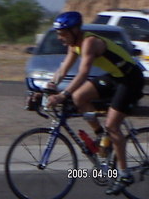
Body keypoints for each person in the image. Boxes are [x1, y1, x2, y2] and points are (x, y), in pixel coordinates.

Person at [46, 11, 144, 195]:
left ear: (75, 30)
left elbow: (83, 73)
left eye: (63, 33)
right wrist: (51, 85)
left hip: (131, 79)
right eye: (58, 33)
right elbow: (63, 68)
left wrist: (63, 95)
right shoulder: (73, 44)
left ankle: (123, 174)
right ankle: (101, 137)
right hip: (116, 77)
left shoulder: (89, 42)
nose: (60, 37)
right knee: (79, 97)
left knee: (113, 126)